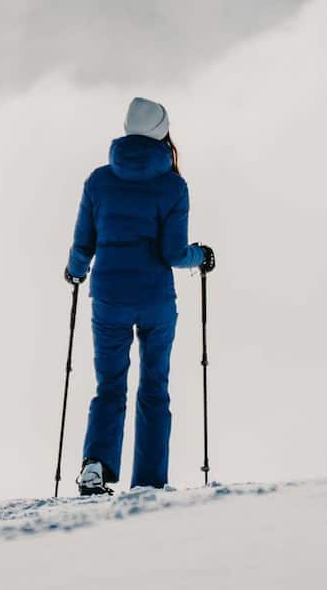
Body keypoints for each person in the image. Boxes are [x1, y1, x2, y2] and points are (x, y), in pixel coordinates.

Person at [65, 97, 215, 496]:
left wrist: (75, 271)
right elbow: (173, 253)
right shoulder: (173, 186)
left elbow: (84, 243)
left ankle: (95, 466)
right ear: (163, 134)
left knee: (110, 386)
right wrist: (201, 256)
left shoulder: (98, 181)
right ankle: (148, 482)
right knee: (154, 388)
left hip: (109, 298)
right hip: (155, 302)